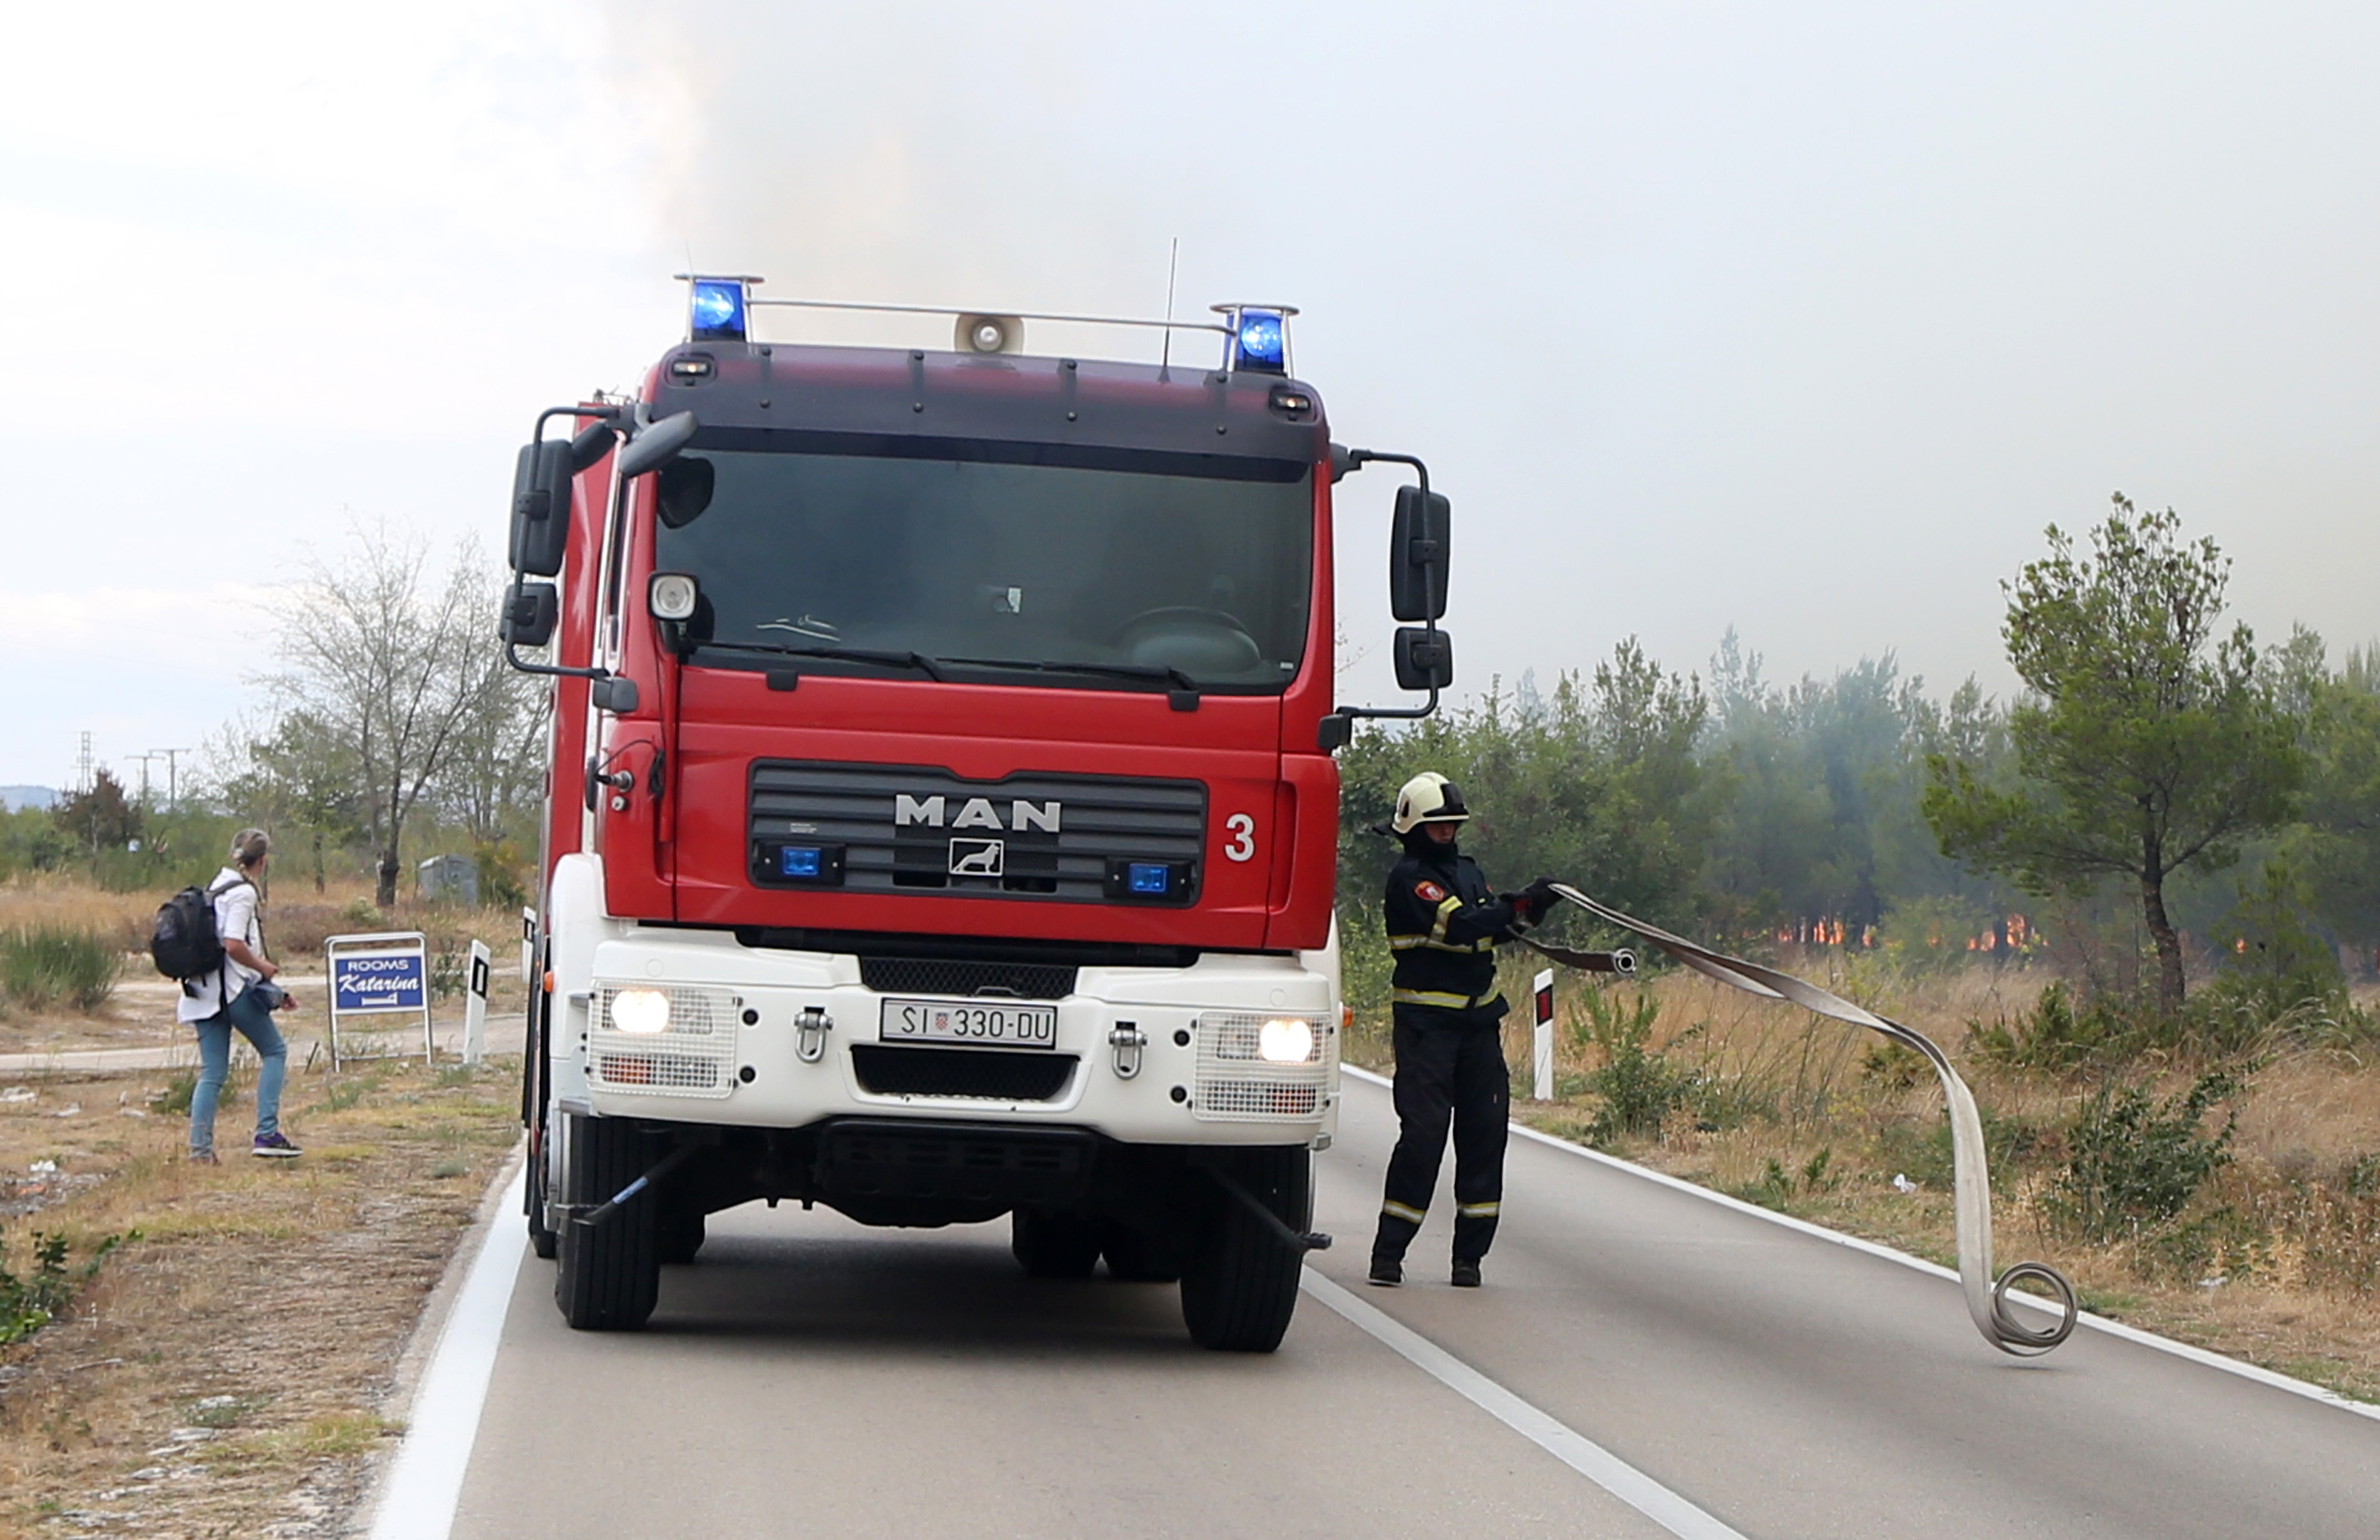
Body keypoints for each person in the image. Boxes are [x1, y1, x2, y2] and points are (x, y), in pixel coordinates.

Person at [1368, 773, 1557, 1288]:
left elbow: (1496, 929)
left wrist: (1528, 911)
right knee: (1424, 1138)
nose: (1448, 833)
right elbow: (1460, 926)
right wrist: (1511, 907)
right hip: (1427, 1029)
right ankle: (1389, 1254)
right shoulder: (1410, 879)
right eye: (1438, 826)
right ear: (1413, 828)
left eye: (1453, 825)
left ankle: (1468, 1258)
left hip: (1477, 1027)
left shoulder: (1470, 874)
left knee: (1484, 1138)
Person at [176, 829, 301, 1162]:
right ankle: (267, 1133)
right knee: (275, 1051)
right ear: (263, 860)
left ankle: (200, 1150)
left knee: (213, 1073)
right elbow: (233, 944)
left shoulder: (216, 888)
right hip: (233, 993)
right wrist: (264, 967)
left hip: (202, 993)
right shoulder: (243, 893)